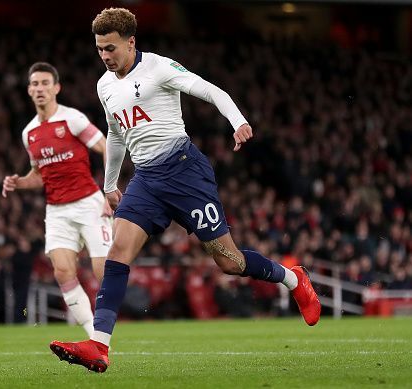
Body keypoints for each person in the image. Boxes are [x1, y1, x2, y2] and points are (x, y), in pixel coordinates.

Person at [49, 8, 321, 373]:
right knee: (118, 251)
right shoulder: (104, 85)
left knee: (229, 262)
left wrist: (238, 121)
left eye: (110, 48)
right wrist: (110, 183)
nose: (105, 56)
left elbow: (210, 91)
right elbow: (116, 134)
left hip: (184, 172)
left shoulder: (159, 68)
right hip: (146, 179)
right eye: (99, 49)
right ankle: (99, 345)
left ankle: (293, 278)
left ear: (131, 42)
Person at [2, 62, 113, 337]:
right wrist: (19, 182)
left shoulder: (72, 119)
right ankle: (94, 336)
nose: (40, 89)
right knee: (63, 272)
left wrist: (109, 189)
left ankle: (104, 329)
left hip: (89, 203)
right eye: (35, 84)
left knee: (104, 274)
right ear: (29, 90)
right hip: (57, 211)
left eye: (45, 83)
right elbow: (39, 175)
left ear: (56, 88)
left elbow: (107, 148)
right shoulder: (29, 133)